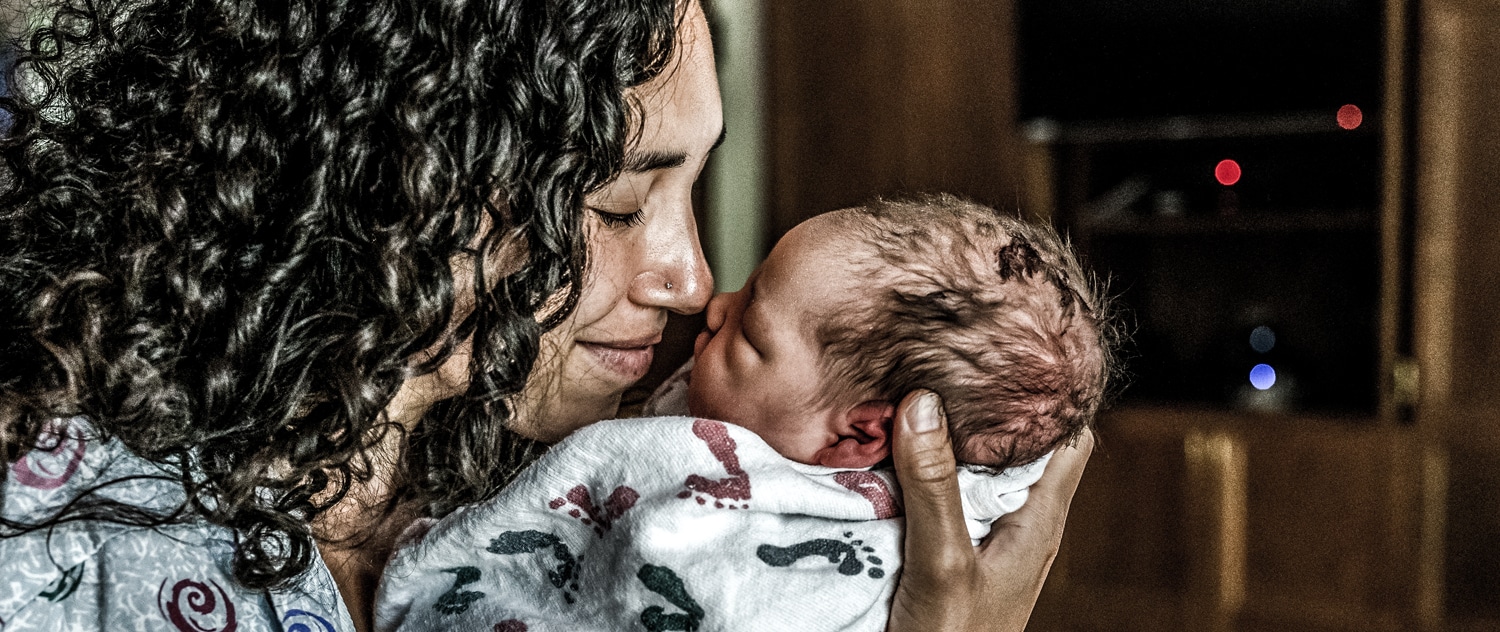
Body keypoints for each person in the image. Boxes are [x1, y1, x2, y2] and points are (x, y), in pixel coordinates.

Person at [0, 0, 1094, 630]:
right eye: (619, 202)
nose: (687, 275)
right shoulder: (71, 551)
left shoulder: (626, 488)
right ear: (402, 178)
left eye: (691, 191)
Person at [373, 196, 1114, 631]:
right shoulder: (738, 420)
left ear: (859, 433)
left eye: (752, 333)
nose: (712, 300)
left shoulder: (834, 571)